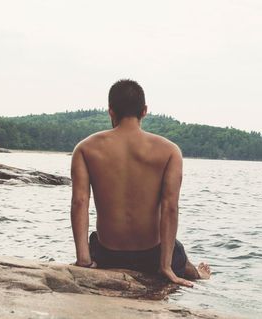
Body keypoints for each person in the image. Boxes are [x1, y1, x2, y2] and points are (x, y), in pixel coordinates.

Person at [70, 79, 210, 287]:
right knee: (178, 252)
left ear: (110, 111)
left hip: (108, 255)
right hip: (152, 257)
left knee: (95, 238)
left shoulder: (85, 148)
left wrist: (84, 259)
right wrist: (166, 266)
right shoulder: (170, 151)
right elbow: (170, 208)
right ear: (144, 111)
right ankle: (197, 273)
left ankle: (190, 268)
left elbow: (80, 202)